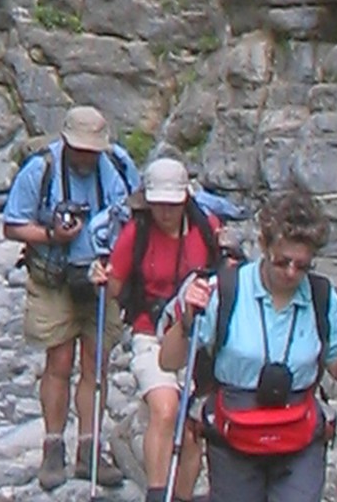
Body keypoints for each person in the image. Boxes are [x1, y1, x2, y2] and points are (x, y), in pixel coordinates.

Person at [160, 189, 337, 502]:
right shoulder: (225, 290)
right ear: (264, 246)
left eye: (302, 266)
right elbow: (169, 362)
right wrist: (186, 319)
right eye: (283, 262)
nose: (292, 273)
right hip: (233, 435)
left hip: (299, 434)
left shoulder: (321, 296)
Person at [7, 105, 146, 489]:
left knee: (96, 365)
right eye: (81, 150)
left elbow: (138, 216)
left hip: (105, 280)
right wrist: (54, 235)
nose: (87, 157)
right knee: (59, 361)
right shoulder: (40, 170)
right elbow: (13, 226)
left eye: (93, 151)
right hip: (55, 279)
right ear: (67, 143)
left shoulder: (118, 166)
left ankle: (90, 449)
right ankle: (53, 449)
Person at [94, 157, 227, 502]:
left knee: (193, 425)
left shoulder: (206, 227)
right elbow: (116, 288)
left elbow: (225, 275)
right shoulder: (135, 234)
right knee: (166, 408)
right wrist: (101, 280)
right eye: (159, 204)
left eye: (172, 204)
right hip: (150, 333)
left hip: (198, 338)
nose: (165, 212)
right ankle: (156, 492)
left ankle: (179, 496)